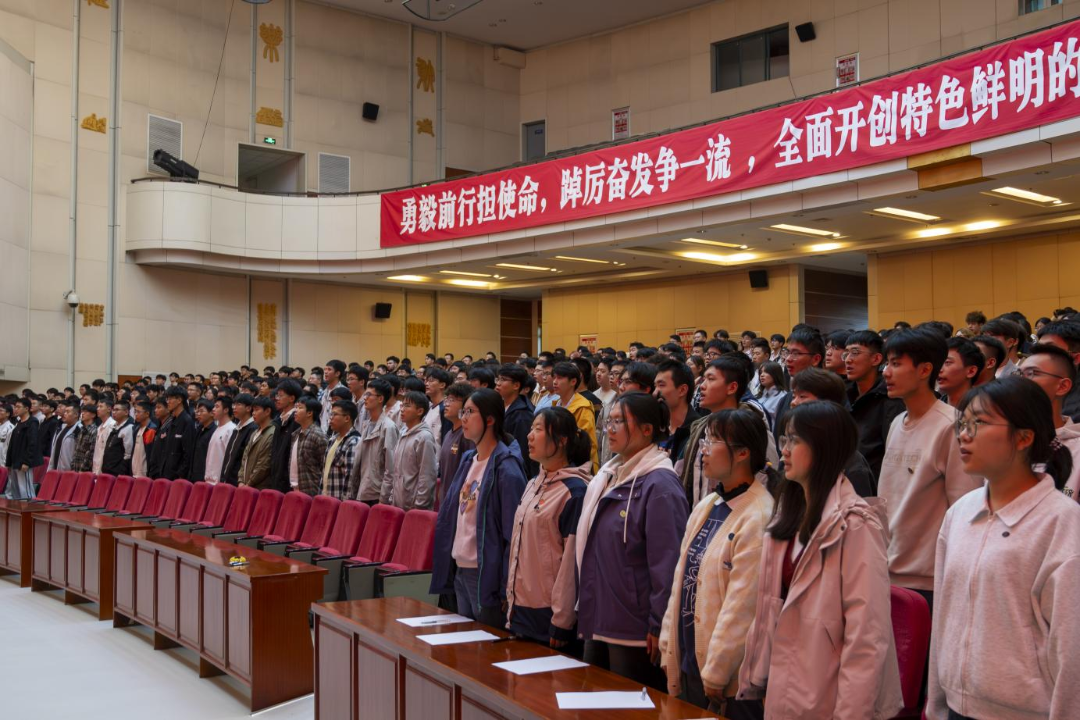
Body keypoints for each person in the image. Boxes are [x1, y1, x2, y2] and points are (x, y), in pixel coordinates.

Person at [736, 401, 903, 719]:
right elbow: (769, 608)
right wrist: (759, 677)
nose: (784, 450)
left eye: (795, 440)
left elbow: (867, 636)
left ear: (825, 447)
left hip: (827, 692)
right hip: (785, 682)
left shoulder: (856, 525)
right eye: (784, 438)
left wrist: (850, 714)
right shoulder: (787, 512)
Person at [928, 376, 1080, 720]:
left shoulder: (1061, 522)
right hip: (957, 707)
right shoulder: (960, 513)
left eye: (979, 424)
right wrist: (936, 705)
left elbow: (1071, 647)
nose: (963, 435)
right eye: (962, 423)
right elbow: (945, 615)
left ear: (1025, 437)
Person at [659, 408, 776, 718]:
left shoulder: (759, 515)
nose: (703, 450)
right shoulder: (708, 504)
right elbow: (681, 578)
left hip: (725, 678)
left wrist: (717, 671)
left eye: (712, 441)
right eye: (704, 441)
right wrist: (668, 642)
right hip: (690, 657)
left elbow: (742, 607)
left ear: (743, 453)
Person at [576, 392, 690, 690]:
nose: (609, 429)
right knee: (592, 701)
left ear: (647, 429)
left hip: (635, 626)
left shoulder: (660, 484)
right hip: (600, 611)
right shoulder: (610, 474)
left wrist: (658, 622)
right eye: (609, 421)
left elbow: (667, 564)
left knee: (626, 704)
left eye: (619, 422)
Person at [879, 327, 980, 598]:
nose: (886, 372)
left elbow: (965, 507)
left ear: (925, 370)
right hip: (887, 569)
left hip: (929, 579)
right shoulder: (896, 423)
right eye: (887, 363)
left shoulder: (951, 425)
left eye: (896, 364)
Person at [430, 388, 528, 629]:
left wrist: (505, 585)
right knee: (464, 642)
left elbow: (513, 535)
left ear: (490, 419)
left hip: (486, 574)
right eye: (462, 412)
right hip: (460, 567)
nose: (463, 418)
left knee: (486, 644)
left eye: (470, 412)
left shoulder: (507, 469)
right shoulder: (468, 460)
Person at [505, 407, 590, 648]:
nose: (529, 435)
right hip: (520, 608)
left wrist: (562, 619)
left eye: (538, 429)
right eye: (531, 428)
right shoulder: (533, 483)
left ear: (562, 440)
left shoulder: (575, 491)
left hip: (549, 615)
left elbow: (571, 563)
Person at [789, 368, 876, 497]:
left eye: (802, 396)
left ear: (827, 404)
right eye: (794, 396)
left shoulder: (849, 464)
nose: (793, 402)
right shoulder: (798, 449)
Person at [382, 390, 438, 510]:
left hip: (414, 507)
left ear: (420, 411)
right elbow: (396, 471)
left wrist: (419, 505)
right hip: (398, 503)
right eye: (402, 405)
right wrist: (391, 497)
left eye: (407, 406)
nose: (402, 409)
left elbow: (427, 475)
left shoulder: (424, 437)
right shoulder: (403, 432)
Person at [348, 380, 400, 504]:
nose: (364, 398)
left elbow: (391, 468)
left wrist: (384, 498)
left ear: (380, 399)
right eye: (365, 395)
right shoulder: (366, 424)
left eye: (369, 395)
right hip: (362, 489)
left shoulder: (388, 427)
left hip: (377, 493)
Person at [551, 362, 599, 472]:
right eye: (554, 377)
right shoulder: (557, 403)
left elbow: (587, 443)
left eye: (560, 378)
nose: (555, 381)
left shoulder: (583, 407)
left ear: (573, 381)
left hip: (577, 466)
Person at [655, 358, 701, 464]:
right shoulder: (656, 426)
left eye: (661, 385)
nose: (655, 392)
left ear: (682, 390)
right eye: (655, 386)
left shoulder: (698, 431)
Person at [437, 382, 474, 511]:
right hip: (446, 500)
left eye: (451, 400)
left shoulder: (467, 435)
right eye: (446, 399)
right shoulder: (449, 433)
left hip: (459, 504)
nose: (446, 404)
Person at [496, 363, 537, 478]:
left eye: (503, 380)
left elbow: (522, 451)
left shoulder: (523, 414)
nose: (498, 383)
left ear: (516, 385)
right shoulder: (500, 405)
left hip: (513, 472)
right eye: (498, 379)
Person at [320, 400, 361, 500]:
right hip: (326, 497)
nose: (331, 418)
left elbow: (351, 476)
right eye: (331, 414)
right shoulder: (332, 439)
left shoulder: (353, 441)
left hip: (340, 500)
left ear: (347, 418)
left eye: (335, 414)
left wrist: (345, 502)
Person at [290, 396, 328, 495]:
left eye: (300, 407)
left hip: (311, 490)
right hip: (294, 487)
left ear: (309, 413)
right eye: (296, 407)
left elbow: (324, 466)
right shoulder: (295, 434)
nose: (295, 411)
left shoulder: (318, 435)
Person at [4, 398, 41, 499]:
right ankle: (17, 508)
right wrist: (9, 462)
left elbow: (32, 443)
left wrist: (27, 462)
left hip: (23, 462)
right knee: (15, 490)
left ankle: (30, 508)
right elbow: (12, 444)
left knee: (25, 490)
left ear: (27, 408)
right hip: (15, 461)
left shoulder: (32, 422)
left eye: (18, 407)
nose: (15, 409)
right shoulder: (19, 423)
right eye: (15, 407)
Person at [159, 386, 196, 480]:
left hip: (177, 476)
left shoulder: (187, 421)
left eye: (170, 399)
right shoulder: (172, 420)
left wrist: (181, 474)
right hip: (166, 472)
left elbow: (188, 453)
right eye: (167, 399)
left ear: (179, 400)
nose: (167, 402)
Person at [239, 396, 276, 488]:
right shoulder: (255, 432)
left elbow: (264, 464)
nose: (253, 413)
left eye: (256, 410)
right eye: (253, 410)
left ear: (267, 411)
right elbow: (244, 458)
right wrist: (241, 481)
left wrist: (249, 483)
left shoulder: (273, 433)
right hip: (246, 485)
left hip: (259, 487)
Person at [220, 394, 257, 486]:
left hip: (239, 482)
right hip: (227, 478)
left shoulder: (253, 428)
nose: (234, 407)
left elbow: (246, 458)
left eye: (238, 404)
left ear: (248, 408)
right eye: (234, 404)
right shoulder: (237, 428)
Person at [937, 337, 984, 407]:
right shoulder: (932, 407)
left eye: (947, 362)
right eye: (938, 362)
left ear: (971, 371)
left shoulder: (985, 408)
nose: (939, 369)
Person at [203, 397, 235, 483]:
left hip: (219, 481)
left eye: (217, 407)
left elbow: (229, 458)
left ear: (226, 410)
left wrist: (223, 479)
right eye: (214, 406)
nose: (213, 409)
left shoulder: (231, 429)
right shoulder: (217, 429)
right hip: (208, 479)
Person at [101, 400, 136, 477]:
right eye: (113, 410)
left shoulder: (129, 428)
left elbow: (128, 454)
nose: (114, 412)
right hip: (108, 469)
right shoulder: (114, 426)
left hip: (118, 472)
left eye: (117, 410)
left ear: (126, 412)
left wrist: (121, 472)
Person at [188, 399, 217, 482]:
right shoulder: (199, 428)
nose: (198, 413)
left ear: (211, 413)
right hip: (193, 474)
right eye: (197, 411)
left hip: (204, 476)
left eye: (201, 411)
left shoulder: (214, 431)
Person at [48, 401, 80, 472]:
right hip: (56, 468)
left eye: (67, 412)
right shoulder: (61, 428)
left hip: (70, 471)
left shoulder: (79, 430)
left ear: (76, 414)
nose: (64, 414)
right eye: (65, 411)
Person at [91, 398, 116, 475]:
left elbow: (108, 450)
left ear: (109, 409)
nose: (98, 409)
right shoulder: (99, 427)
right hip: (96, 466)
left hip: (105, 468)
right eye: (97, 406)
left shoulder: (112, 425)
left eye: (101, 406)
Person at [320, 359, 347, 432]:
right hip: (323, 430)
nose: (325, 372)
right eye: (325, 369)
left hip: (335, 431)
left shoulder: (343, 391)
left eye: (329, 369)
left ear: (337, 373)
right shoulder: (325, 391)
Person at [71, 404, 99, 472]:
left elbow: (90, 452)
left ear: (93, 415)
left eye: (86, 412)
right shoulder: (82, 429)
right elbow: (76, 449)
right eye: (82, 411)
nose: (82, 413)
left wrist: (84, 468)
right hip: (75, 466)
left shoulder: (94, 431)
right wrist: (72, 465)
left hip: (85, 469)